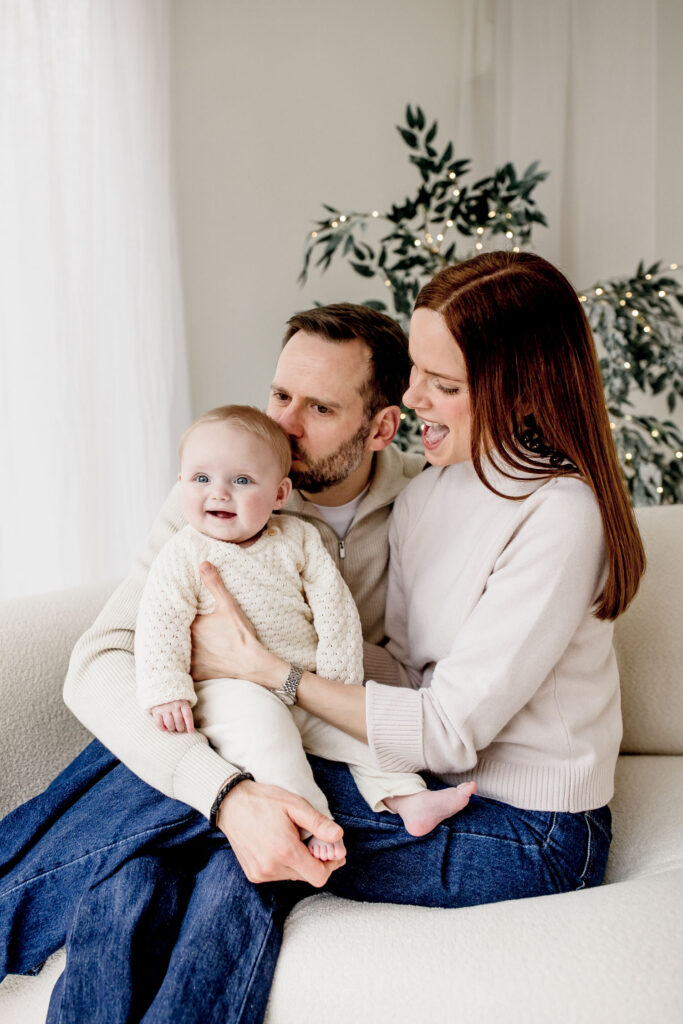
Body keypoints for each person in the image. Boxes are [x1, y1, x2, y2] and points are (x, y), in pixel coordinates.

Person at [0, 268, 643, 1024]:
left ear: (379, 428)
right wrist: (226, 778)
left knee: (212, 801)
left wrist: (264, 670)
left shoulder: (529, 509)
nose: (283, 425)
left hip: (514, 820)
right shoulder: (229, 489)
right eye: (281, 395)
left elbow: (444, 723)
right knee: (203, 846)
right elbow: (401, 672)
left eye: (439, 384)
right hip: (393, 759)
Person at [137, 404, 473, 859]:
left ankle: (409, 797)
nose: (219, 493)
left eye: (241, 480)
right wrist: (167, 691)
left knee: (361, 733)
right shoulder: (183, 552)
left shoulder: (297, 538)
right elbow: (160, 623)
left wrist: (338, 679)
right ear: (181, 485)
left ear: (279, 493)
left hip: (302, 680)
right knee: (269, 737)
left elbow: (335, 609)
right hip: (230, 690)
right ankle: (311, 821)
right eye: (201, 479)